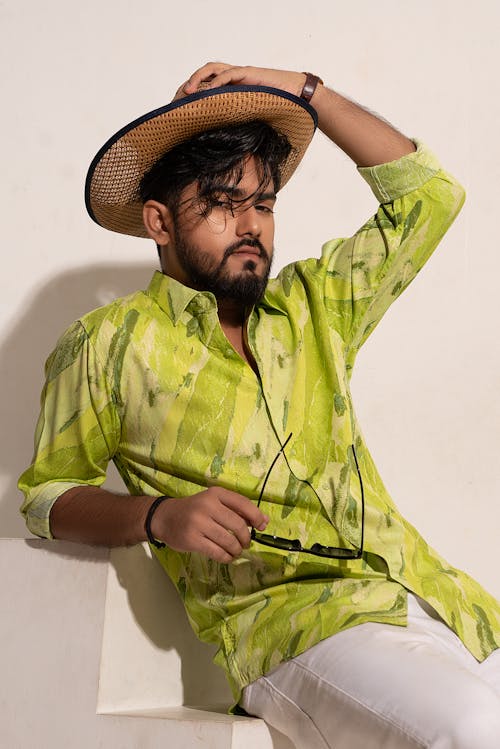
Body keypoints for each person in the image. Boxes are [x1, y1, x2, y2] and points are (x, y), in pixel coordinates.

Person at [19, 63, 500, 748]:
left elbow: (430, 195)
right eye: (221, 202)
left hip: (436, 599)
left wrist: (303, 90)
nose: (250, 226)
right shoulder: (108, 345)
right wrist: (158, 516)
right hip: (294, 631)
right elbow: (48, 494)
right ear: (159, 221)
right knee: (473, 730)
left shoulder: (314, 307)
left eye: (264, 204)